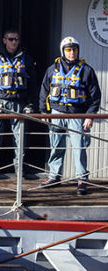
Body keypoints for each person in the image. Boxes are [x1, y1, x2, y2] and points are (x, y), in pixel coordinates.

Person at [39, 36, 101, 195]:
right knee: (56, 146)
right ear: (63, 51)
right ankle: (54, 176)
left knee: (79, 147)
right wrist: (44, 112)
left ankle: (82, 179)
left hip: (77, 114)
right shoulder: (52, 69)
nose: (72, 53)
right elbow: (44, 91)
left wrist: (90, 116)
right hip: (57, 113)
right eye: (68, 50)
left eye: (74, 49)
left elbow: (95, 97)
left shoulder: (87, 70)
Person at [0, 29, 37, 177]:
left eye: (17, 39)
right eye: (11, 39)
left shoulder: (26, 59)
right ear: (4, 40)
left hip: (19, 102)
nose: (14, 42)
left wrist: (29, 104)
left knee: (19, 137)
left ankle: (19, 167)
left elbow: (32, 84)